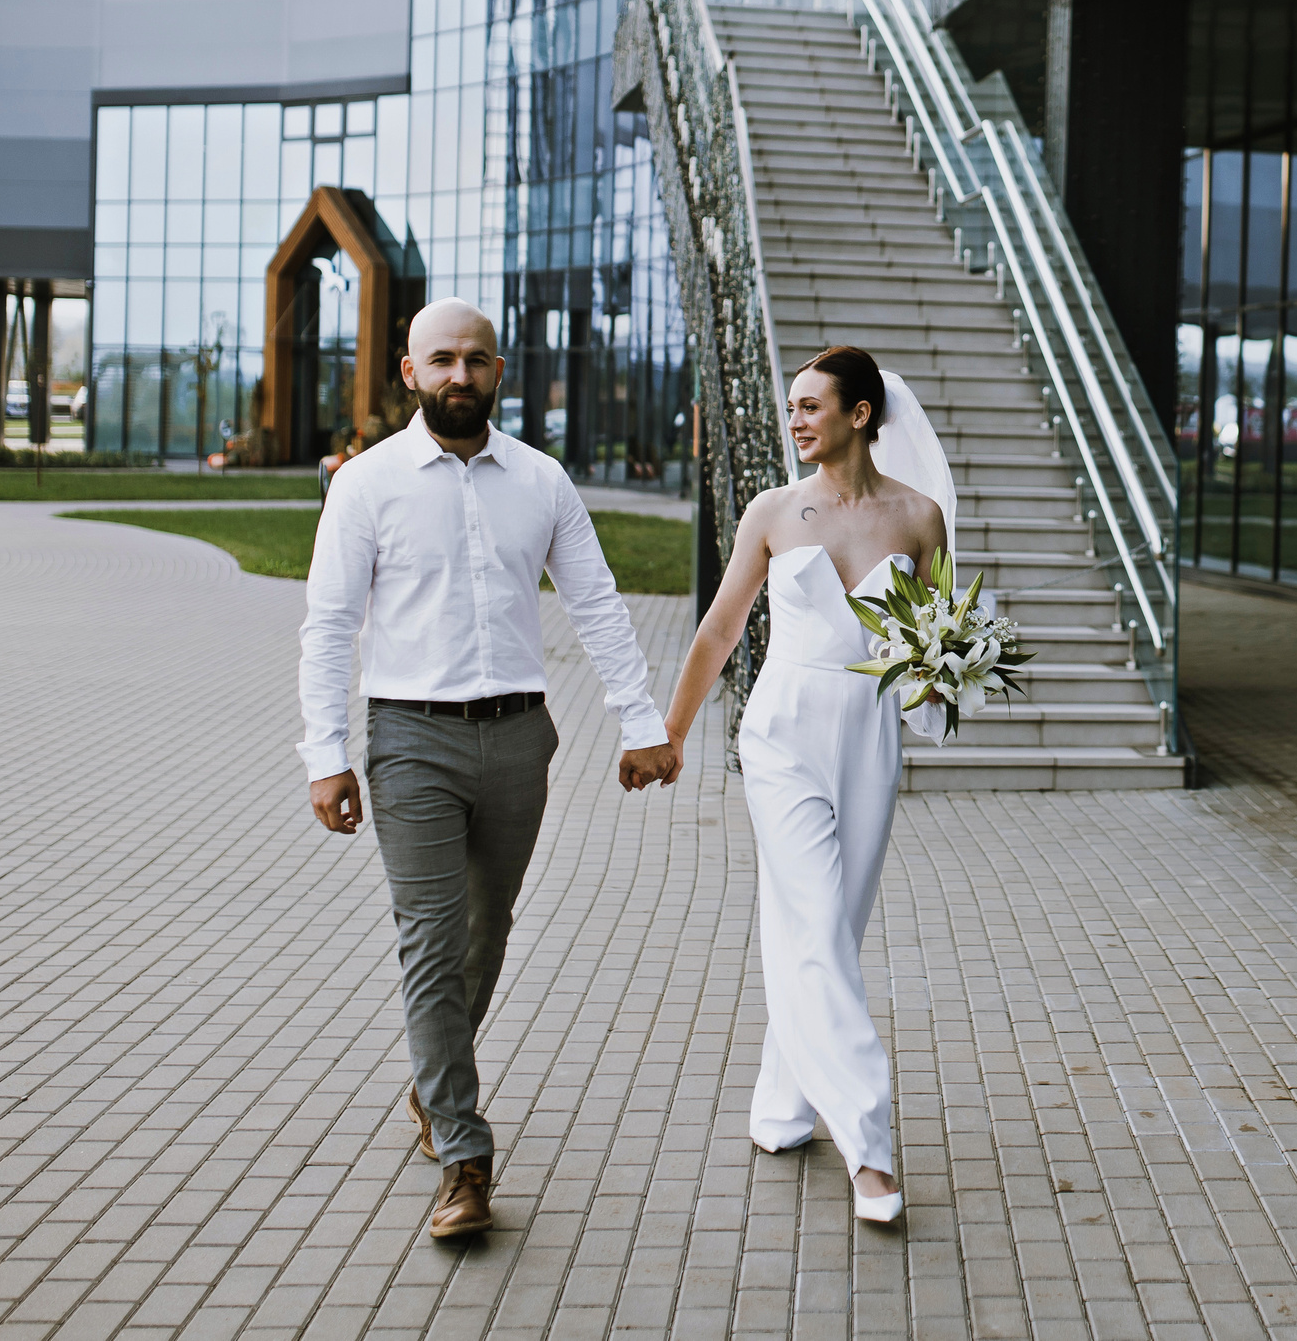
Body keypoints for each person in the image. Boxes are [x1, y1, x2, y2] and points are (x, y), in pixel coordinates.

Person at [298, 298, 675, 1240]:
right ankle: (464, 1158)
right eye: (441, 360)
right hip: (409, 739)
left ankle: (434, 1085)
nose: (458, 375)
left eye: (474, 359)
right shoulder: (365, 484)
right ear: (410, 372)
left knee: (485, 930)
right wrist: (326, 754)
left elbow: (596, 602)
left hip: (517, 738)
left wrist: (641, 720)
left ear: (499, 370)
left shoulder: (541, 480)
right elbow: (329, 625)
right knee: (430, 939)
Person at [636, 345, 956, 1226]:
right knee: (814, 922)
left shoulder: (921, 517)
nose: (796, 419)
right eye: (792, 406)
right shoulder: (774, 510)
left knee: (830, 930)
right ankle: (870, 1145)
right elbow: (720, 628)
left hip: (869, 735)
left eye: (812, 405)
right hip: (782, 733)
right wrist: (669, 732)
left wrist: (947, 675)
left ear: (861, 413)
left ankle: (781, 1106)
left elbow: (935, 642)